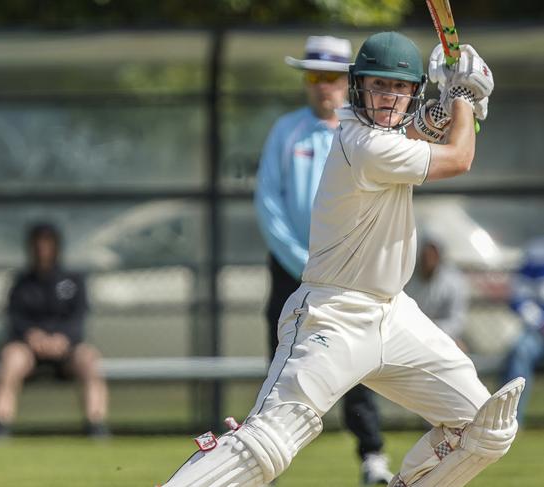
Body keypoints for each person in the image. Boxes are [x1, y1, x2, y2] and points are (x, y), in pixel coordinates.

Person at [159, 32, 524, 487]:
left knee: (486, 428)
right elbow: (459, 158)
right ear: (358, 87)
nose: (388, 98)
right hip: (334, 315)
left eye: (400, 88)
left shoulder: (384, 134)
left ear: (413, 91)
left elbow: (418, 131)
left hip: (395, 314)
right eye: (378, 86)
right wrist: (465, 96)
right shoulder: (362, 142)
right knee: (267, 445)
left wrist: (448, 103)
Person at [254, 35, 392, 485]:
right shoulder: (286, 130)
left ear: (347, 81)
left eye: (331, 76)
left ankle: (372, 456)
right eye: (314, 76)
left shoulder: (360, 133)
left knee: (355, 360)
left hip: (349, 271)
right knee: (283, 363)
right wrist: (301, 261)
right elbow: (268, 204)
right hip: (290, 270)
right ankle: (262, 458)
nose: (323, 86)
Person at [0, 222, 109, 437]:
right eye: (38, 244)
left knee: (89, 358)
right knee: (10, 357)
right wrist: (31, 335)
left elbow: (79, 318)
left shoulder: (73, 280)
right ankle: (1, 424)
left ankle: (96, 424)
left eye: (47, 243)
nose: (42, 249)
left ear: (56, 246)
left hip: (66, 351)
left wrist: (63, 338)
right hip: (29, 350)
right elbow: (14, 318)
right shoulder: (21, 282)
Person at [501, 236, 544, 424]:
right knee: (520, 350)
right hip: (538, 332)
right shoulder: (536, 252)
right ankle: (511, 422)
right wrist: (540, 322)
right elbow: (518, 297)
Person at [405, 233, 470, 352]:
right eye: (426, 252)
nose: (428, 257)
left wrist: (430, 329)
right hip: (409, 333)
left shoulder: (454, 282)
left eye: (433, 252)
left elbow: (456, 321)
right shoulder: (407, 277)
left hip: (441, 335)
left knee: (460, 349)